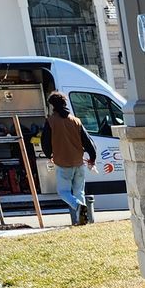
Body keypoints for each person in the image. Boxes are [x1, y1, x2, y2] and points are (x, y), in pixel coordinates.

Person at [38, 92, 96, 224]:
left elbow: (45, 142)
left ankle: (78, 207)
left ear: (52, 105)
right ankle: (83, 219)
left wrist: (49, 155)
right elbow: (89, 142)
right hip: (79, 162)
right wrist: (92, 158)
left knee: (63, 192)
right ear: (65, 104)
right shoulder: (76, 121)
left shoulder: (51, 122)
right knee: (79, 191)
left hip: (63, 163)